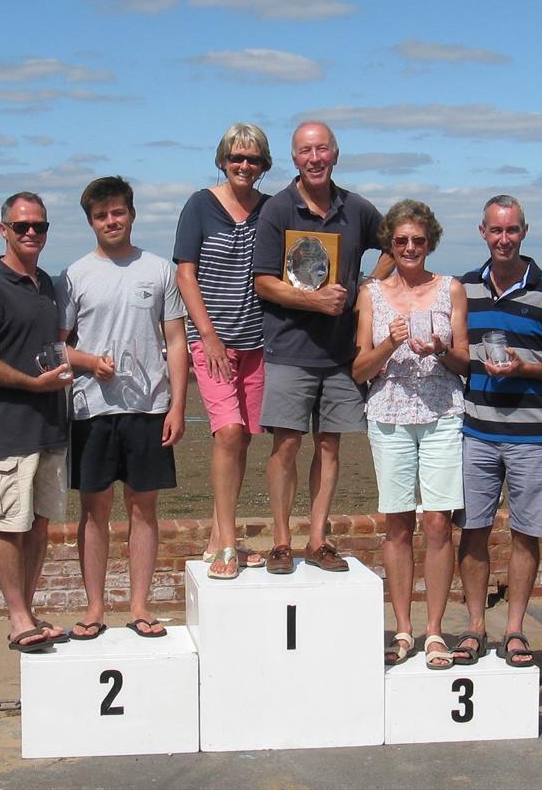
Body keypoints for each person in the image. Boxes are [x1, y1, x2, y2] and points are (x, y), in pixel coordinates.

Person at [252, 121, 392, 574]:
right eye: (305, 151)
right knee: (286, 445)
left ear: (335, 154)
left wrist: (371, 284)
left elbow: (395, 241)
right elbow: (264, 283)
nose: (315, 158)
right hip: (290, 349)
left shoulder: (357, 208)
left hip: (340, 353)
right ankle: (280, 542)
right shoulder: (277, 210)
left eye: (322, 149)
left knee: (329, 446)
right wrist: (311, 299)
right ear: (294, 158)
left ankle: (317, 538)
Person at [454, 194, 542, 667]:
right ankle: (473, 628)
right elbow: (455, 352)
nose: (503, 239)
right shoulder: (464, 289)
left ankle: (514, 630)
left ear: (523, 233)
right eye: (495, 230)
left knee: (526, 534)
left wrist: (526, 367)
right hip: (476, 432)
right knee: (472, 531)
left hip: (534, 436)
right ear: (482, 232)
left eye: (512, 230)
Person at [57, 176, 188, 640]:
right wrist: (90, 362)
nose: (111, 221)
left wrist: (177, 406)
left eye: (118, 212)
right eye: (101, 215)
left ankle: (139, 605)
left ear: (131, 214)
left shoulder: (158, 270)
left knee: (143, 509)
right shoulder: (74, 275)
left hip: (149, 407)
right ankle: (94, 607)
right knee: (93, 511)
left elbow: (176, 340)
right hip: (90, 409)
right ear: (90, 221)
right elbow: (58, 346)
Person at [353, 200, 469, 669]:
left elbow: (465, 361)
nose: (409, 248)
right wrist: (390, 342)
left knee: (439, 522)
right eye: (400, 241)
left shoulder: (450, 290)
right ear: (390, 244)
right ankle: (403, 629)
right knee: (398, 523)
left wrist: (441, 348)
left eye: (418, 240)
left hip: (443, 413)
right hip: (388, 416)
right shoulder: (371, 294)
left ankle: (435, 630)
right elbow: (360, 368)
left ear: (431, 242)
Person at [0, 192, 72, 653]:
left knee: (39, 525)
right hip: (5, 429)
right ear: (3, 229)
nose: (31, 233)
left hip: (50, 428)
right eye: (22, 225)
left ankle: (26, 612)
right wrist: (30, 384)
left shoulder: (46, 284)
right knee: (8, 525)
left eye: (39, 226)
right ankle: (17, 617)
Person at [174, 123, 272, 579]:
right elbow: (185, 275)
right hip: (212, 342)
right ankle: (228, 544)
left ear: (264, 164)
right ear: (222, 160)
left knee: (244, 437)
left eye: (252, 159)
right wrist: (208, 336)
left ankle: (219, 533)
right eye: (236, 157)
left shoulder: (272, 210)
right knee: (228, 432)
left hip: (260, 342)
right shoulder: (200, 205)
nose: (244, 166)